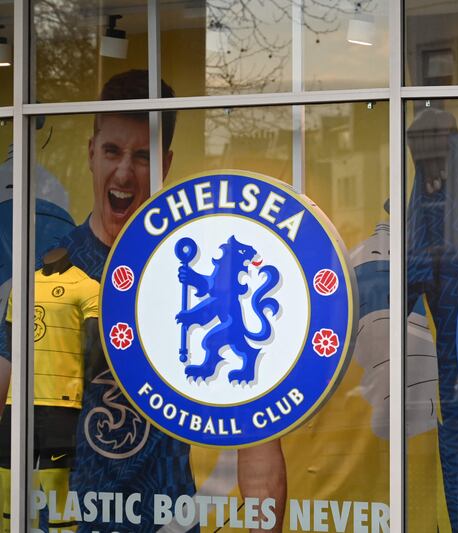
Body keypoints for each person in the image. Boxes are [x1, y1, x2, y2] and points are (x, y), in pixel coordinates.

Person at [0, 70, 286, 532]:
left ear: (166, 164)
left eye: (142, 156)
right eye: (112, 151)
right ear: (91, 153)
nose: (124, 172)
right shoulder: (44, 271)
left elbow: (258, 440)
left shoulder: (199, 273)